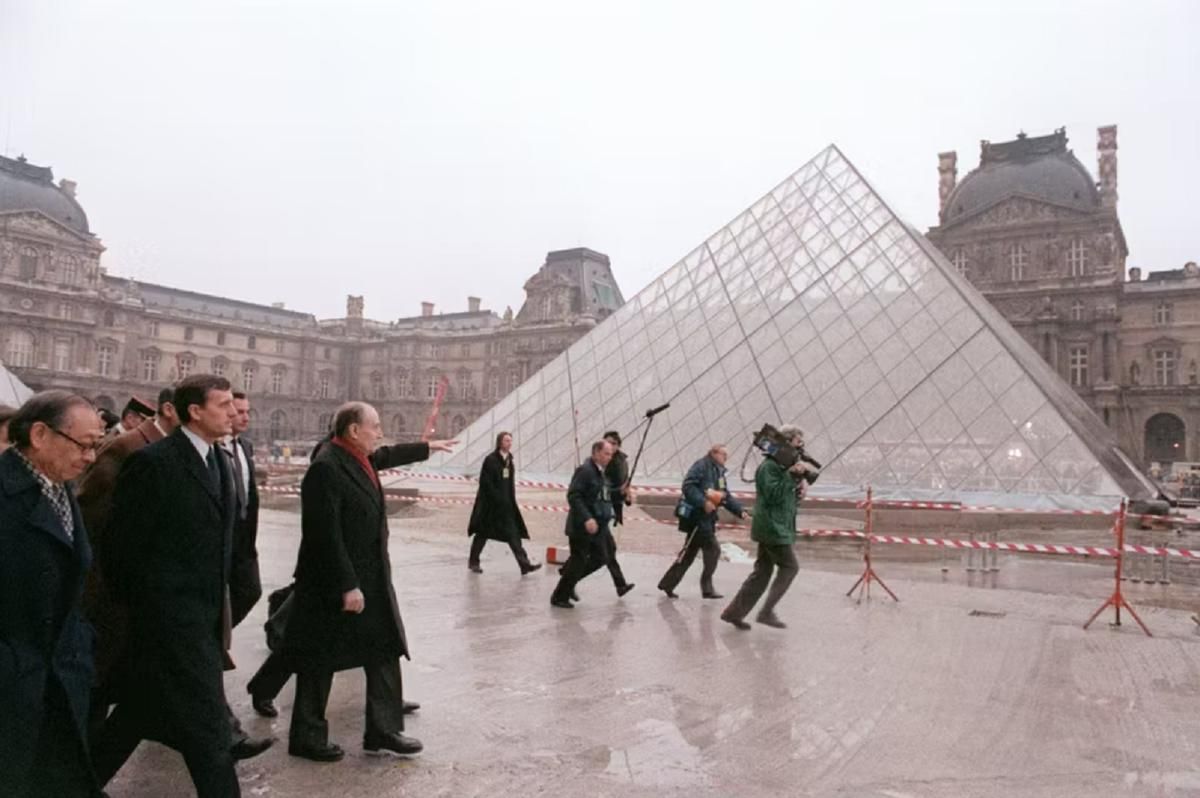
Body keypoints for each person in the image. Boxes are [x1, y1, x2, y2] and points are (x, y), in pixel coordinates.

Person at [93, 375, 243, 797]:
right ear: (195, 411)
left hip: (201, 624)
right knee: (211, 736)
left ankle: (71, 786)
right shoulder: (154, 463)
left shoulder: (220, 461)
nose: (233, 412)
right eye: (224, 404)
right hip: (168, 627)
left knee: (134, 717)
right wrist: (155, 614)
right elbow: (121, 550)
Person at [282, 402, 455, 763]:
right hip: (333, 582)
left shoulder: (358, 457)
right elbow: (323, 534)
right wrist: (347, 584)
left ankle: (383, 730)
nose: (380, 432)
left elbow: (387, 454)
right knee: (318, 660)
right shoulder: (326, 467)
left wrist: (426, 448)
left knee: (384, 648)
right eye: (375, 426)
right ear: (353, 431)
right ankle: (307, 736)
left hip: (369, 576)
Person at [0, 391, 104, 798]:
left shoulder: (58, 486)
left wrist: (81, 645)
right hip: (14, 684)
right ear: (40, 435)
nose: (91, 457)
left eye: (97, 444)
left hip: (60, 677)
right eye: (84, 444)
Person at [76, 386, 180, 746]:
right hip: (112, 592)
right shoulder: (126, 447)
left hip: (142, 592)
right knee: (100, 683)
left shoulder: (171, 449)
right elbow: (92, 518)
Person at [721, 425, 816, 631]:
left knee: (762, 572)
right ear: (787, 442)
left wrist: (798, 485)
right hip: (773, 528)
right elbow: (773, 495)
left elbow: (785, 498)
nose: (801, 447)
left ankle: (734, 613)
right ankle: (766, 612)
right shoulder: (769, 467)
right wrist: (791, 476)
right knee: (790, 567)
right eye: (798, 442)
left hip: (774, 525)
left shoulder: (779, 468)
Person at [658, 444, 747, 600]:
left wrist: (740, 510)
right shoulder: (701, 466)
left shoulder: (718, 471)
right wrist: (703, 502)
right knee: (713, 550)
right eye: (723, 454)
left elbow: (724, 495)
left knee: (689, 553)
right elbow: (688, 486)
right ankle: (706, 587)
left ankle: (668, 583)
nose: (726, 458)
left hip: (707, 518)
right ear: (713, 453)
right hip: (697, 517)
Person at [549, 440, 617, 609]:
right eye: (606, 454)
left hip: (597, 526)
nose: (610, 457)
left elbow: (603, 495)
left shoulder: (600, 473)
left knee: (601, 557)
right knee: (578, 559)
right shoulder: (585, 471)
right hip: (582, 525)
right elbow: (574, 495)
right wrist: (587, 518)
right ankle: (559, 596)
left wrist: (622, 495)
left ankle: (569, 582)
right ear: (596, 453)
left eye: (611, 454)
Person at [466, 431, 541, 574]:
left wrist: (510, 500)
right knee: (482, 533)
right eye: (506, 440)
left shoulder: (509, 460)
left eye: (510, 441)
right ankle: (473, 562)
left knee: (513, 535)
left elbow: (510, 483)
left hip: (506, 505)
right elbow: (485, 482)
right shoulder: (490, 460)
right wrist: (496, 498)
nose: (509, 443)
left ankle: (524, 565)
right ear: (500, 442)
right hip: (490, 505)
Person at [600, 431, 634, 596]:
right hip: (601, 510)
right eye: (607, 443)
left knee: (603, 550)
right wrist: (620, 492)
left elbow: (624, 484)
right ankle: (620, 584)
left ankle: (567, 575)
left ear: (618, 445)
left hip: (610, 509)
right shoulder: (602, 464)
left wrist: (626, 495)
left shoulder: (621, 462)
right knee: (605, 550)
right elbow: (602, 490)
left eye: (613, 443)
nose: (610, 446)